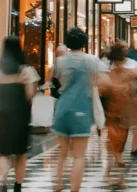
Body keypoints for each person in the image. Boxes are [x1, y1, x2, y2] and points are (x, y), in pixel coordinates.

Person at [52, 27, 108, 192]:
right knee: (79, 156)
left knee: (62, 153)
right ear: (84, 43)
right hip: (82, 110)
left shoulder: (59, 61)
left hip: (62, 109)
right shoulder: (92, 61)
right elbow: (104, 82)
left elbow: (54, 82)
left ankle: (58, 185)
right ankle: (74, 189)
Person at [101, 43, 137, 185]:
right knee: (117, 146)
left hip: (112, 113)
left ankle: (114, 175)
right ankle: (117, 177)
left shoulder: (107, 73)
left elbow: (101, 91)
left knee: (114, 145)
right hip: (123, 113)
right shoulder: (128, 73)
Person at [0, 36, 39, 192]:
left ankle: (2, 183)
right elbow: (30, 94)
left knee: (4, 152)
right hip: (20, 116)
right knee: (20, 152)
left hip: (3, 115)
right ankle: (17, 186)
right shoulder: (26, 71)